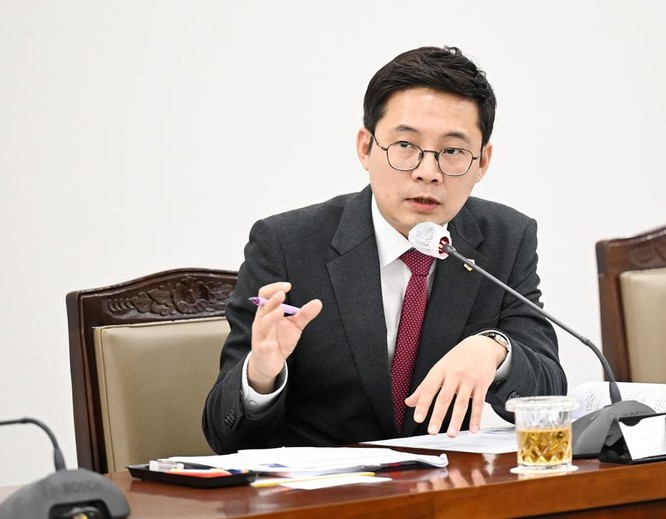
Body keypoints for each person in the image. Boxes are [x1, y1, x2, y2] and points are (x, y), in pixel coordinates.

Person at [202, 45, 566, 453]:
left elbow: (550, 389)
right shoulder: (286, 244)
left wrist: (497, 349)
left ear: (482, 162)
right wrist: (261, 376)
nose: (427, 173)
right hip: (328, 488)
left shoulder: (506, 238)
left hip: (448, 484)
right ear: (365, 147)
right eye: (406, 145)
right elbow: (224, 436)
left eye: (452, 152)